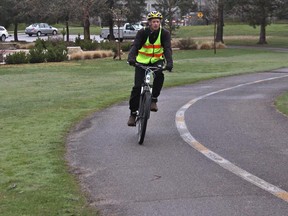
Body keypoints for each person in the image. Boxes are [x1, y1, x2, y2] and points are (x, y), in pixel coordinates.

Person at [127, 11, 173, 126]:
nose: (156, 24)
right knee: (137, 87)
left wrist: (169, 62)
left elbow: (167, 48)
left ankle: (153, 99)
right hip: (141, 62)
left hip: (156, 61)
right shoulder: (142, 33)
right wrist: (131, 58)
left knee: (159, 76)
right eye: (153, 22)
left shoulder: (164, 34)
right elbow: (135, 46)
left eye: (158, 21)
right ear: (149, 23)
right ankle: (133, 113)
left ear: (160, 22)